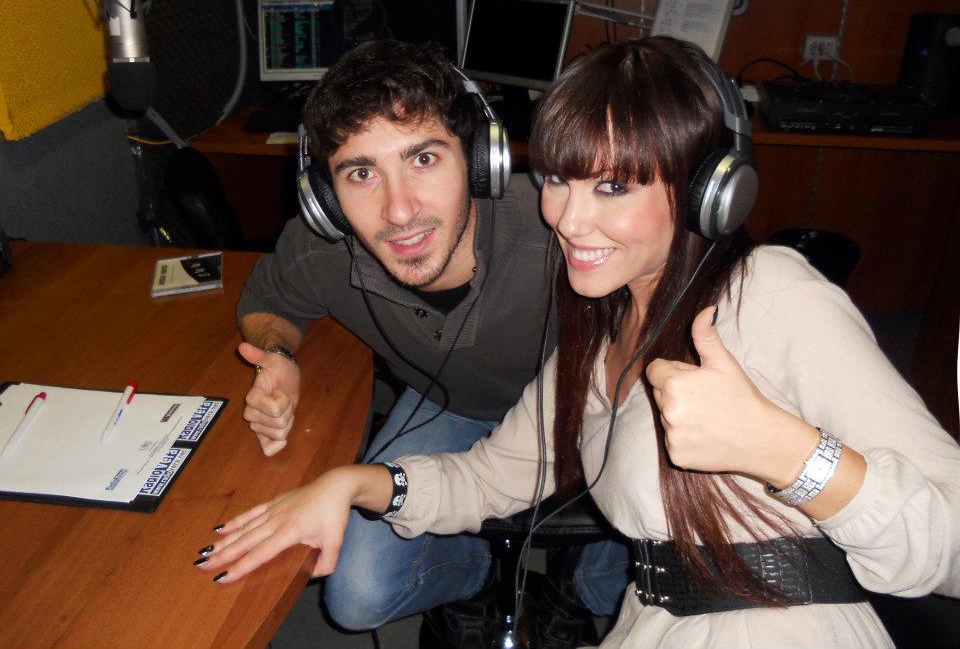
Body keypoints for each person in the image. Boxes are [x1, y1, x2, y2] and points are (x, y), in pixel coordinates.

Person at [199, 37, 959, 647]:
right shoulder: (599, 337)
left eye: (613, 187)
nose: (567, 219)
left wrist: (790, 455)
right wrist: (352, 483)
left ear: (708, 191)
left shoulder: (769, 294)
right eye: (561, 180)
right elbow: (491, 478)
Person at [228, 39, 628, 646]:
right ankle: (473, 575)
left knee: (625, 578)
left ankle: (575, 585)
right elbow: (267, 302)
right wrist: (278, 355)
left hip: (587, 405)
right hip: (452, 405)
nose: (398, 210)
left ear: (478, 158)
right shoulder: (325, 247)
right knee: (357, 596)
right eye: (361, 173)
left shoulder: (564, 228)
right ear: (326, 197)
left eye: (423, 158)